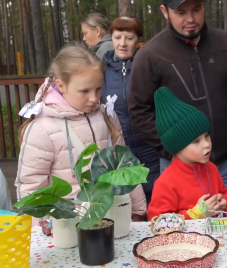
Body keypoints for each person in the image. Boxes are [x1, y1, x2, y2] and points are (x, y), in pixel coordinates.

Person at [128, 0, 227, 199]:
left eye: (196, 9)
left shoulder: (224, 43)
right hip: (179, 170)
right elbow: (138, 108)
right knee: (183, 231)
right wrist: (170, 147)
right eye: (181, 12)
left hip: (223, 164)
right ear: (165, 11)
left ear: (204, 6)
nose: (190, 18)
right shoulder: (150, 55)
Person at [15, 44, 146, 222]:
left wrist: (138, 209)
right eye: (85, 91)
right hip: (66, 224)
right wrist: (41, 229)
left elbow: (124, 165)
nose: (94, 98)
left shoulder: (106, 115)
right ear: (61, 85)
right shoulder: (42, 128)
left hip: (113, 215)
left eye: (98, 88)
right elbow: (31, 185)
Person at [147, 87, 227, 220]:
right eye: (196, 141)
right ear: (177, 146)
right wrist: (194, 214)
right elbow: (159, 220)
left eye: (207, 136)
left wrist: (225, 203)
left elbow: (225, 194)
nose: (206, 144)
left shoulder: (212, 169)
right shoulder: (166, 183)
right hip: (185, 240)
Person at [102, 17, 160, 205]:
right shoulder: (101, 70)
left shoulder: (149, 67)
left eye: (129, 38)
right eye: (118, 37)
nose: (123, 43)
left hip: (151, 149)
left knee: (157, 203)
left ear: (139, 41)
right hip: (119, 153)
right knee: (128, 207)